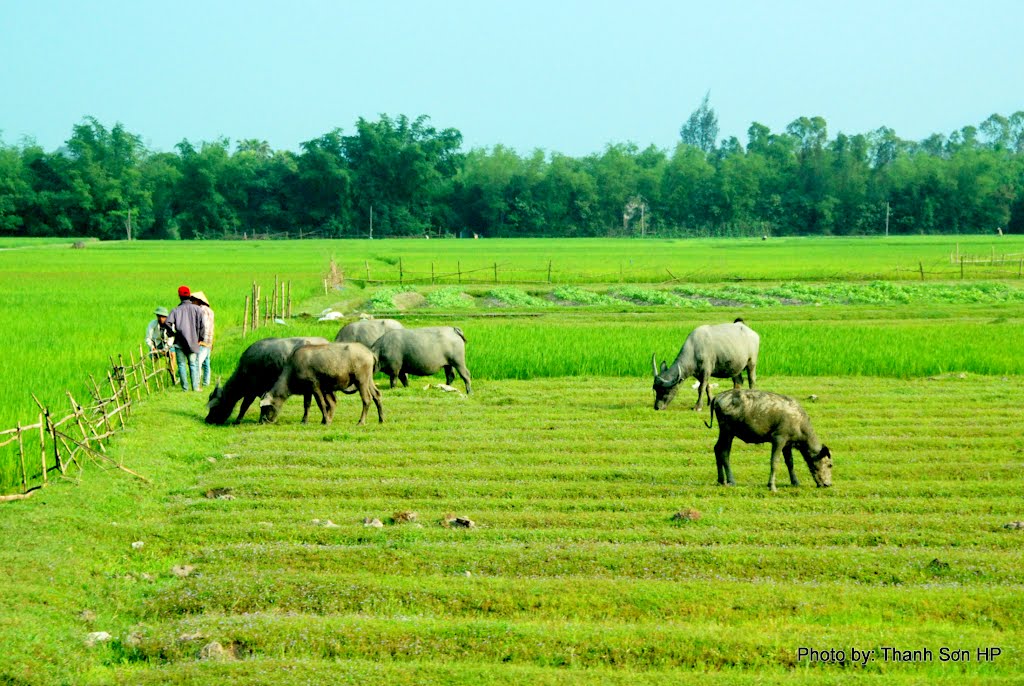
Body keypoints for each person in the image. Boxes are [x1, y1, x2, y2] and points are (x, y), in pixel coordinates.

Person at [164, 285, 206, 391]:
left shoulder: (175, 310)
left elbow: (167, 323)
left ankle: (185, 388)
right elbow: (202, 326)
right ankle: (195, 387)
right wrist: (200, 338)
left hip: (179, 342)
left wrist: (172, 334)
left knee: (181, 365)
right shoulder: (197, 309)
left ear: (179, 296)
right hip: (193, 341)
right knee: (193, 364)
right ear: (189, 295)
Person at [190, 291, 215, 389]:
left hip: (202, 339)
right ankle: (206, 382)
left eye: (193, 300)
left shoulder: (200, 310)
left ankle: (197, 383)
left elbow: (201, 325)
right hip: (209, 339)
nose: (192, 302)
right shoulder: (210, 311)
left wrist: (198, 338)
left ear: (198, 301)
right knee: (206, 362)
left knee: (198, 362)